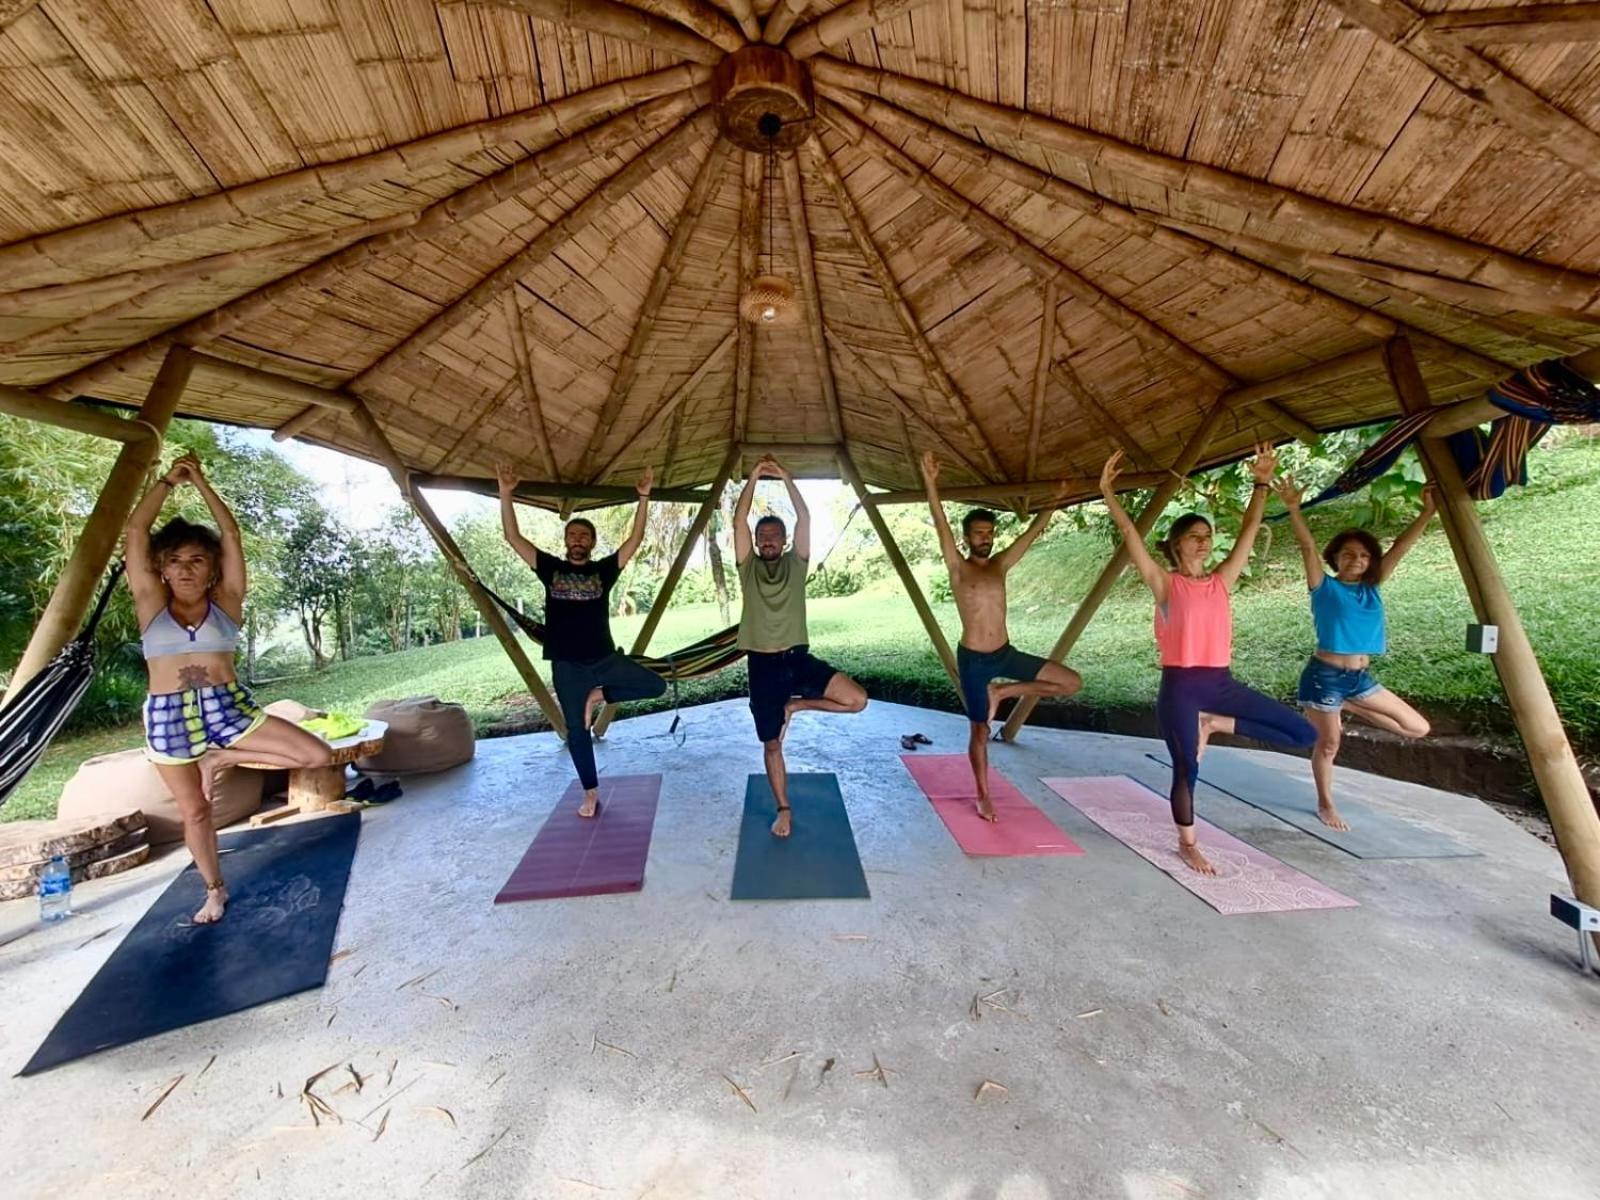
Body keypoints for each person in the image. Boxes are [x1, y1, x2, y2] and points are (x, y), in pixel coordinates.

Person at [125, 453, 332, 923]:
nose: (185, 569)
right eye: (175, 560)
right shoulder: (151, 604)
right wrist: (166, 483)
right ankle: (214, 890)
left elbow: (232, 535)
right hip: (167, 717)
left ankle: (223, 755)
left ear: (213, 569)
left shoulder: (228, 603)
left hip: (228, 708)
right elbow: (136, 532)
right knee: (195, 812)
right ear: (161, 568)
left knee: (316, 757)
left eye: (197, 560)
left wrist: (199, 482)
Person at [1099, 446, 1316, 876]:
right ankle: (1188, 843)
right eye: (1195, 534)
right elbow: (1131, 538)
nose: (1204, 539)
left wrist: (1261, 482)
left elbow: (1251, 529)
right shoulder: (1165, 584)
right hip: (1180, 688)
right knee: (1186, 768)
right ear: (1178, 544)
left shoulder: (1221, 580)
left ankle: (1214, 723)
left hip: (1220, 684)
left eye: (1207, 534)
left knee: (1303, 733)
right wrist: (1108, 493)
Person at [496, 463, 666, 817]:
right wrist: (506, 493)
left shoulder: (603, 571)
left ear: (592, 543)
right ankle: (590, 793)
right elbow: (513, 538)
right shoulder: (550, 568)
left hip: (604, 658)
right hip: (568, 665)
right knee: (577, 731)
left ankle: (600, 695)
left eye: (584, 536)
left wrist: (644, 498)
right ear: (565, 541)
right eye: (572, 535)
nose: (577, 540)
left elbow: (634, 541)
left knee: (656, 686)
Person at [920, 451, 1082, 821]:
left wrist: (1055, 499)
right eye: (979, 534)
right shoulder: (958, 568)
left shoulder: (1000, 565)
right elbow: (940, 522)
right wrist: (931, 482)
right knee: (979, 731)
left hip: (1006, 654)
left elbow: (1032, 533)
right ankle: (983, 793)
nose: (986, 539)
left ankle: (1003, 692)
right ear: (966, 537)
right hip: (974, 660)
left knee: (1070, 682)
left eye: (990, 534)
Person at [1275, 479, 1436, 831]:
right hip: (1325, 676)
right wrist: (1293, 507)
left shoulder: (1371, 589)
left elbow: (1403, 547)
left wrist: (1428, 512)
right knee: (1330, 744)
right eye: (1348, 554)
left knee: (1416, 728)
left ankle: (1345, 705)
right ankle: (1325, 804)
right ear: (1335, 558)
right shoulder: (1324, 588)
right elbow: (1305, 546)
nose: (1357, 560)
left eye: (1364, 556)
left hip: (1360, 679)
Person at [734, 455, 867, 838]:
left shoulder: (796, 564)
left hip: (799, 659)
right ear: (757, 543)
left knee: (857, 700)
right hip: (762, 666)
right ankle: (784, 808)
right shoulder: (748, 569)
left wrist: (788, 477)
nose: (768, 541)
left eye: (775, 536)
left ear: (784, 540)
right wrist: (755, 477)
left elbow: (805, 519)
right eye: (763, 537)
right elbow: (738, 521)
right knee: (772, 744)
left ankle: (798, 704)